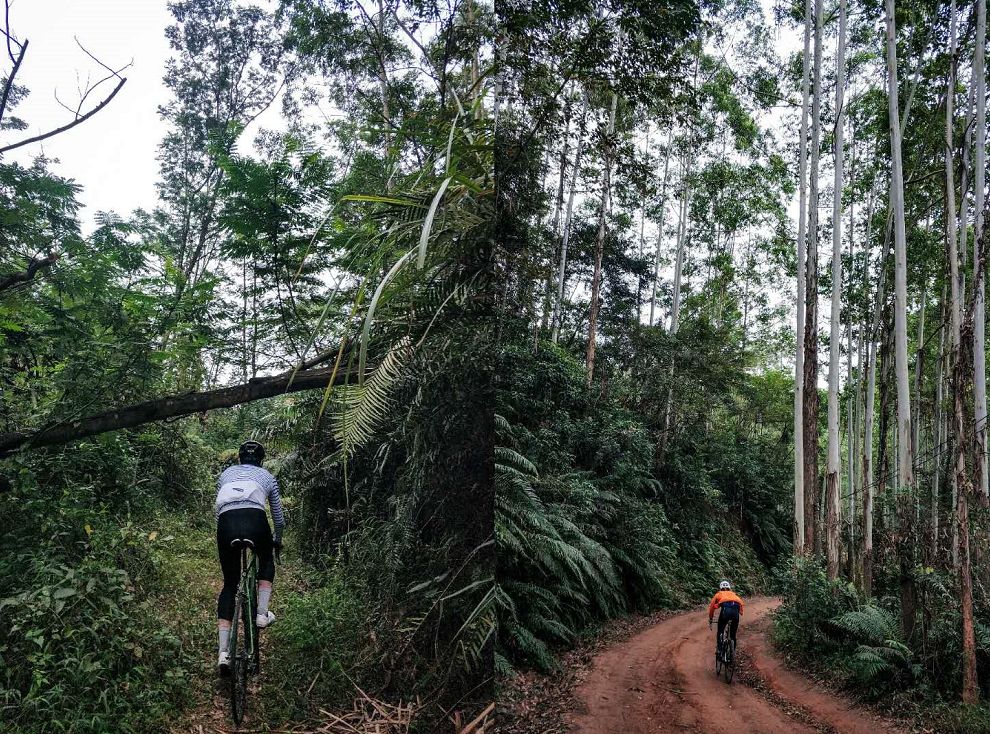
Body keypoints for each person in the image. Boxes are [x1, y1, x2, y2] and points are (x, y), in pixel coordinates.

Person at [215, 440, 285, 673]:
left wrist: (224, 533)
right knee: (266, 559)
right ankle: (262, 614)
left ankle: (223, 653)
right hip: (255, 521)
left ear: (239, 459)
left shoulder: (226, 474)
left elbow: (220, 508)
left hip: (226, 524)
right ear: (262, 460)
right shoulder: (267, 476)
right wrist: (277, 539)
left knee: (229, 584)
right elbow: (278, 517)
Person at [707, 580, 744, 655]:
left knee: (720, 630)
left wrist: (711, 618)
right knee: (733, 635)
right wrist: (740, 613)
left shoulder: (718, 594)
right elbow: (740, 607)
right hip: (735, 612)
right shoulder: (734, 595)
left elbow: (712, 607)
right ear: (729, 588)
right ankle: (732, 652)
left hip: (725, 612)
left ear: (720, 588)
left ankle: (720, 650)